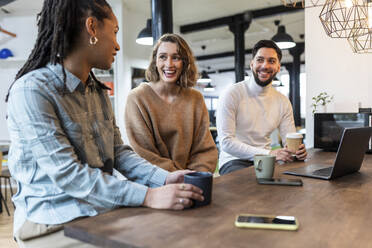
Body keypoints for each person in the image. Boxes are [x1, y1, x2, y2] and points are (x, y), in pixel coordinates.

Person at [6, 1, 203, 247]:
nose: (118, 44)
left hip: (97, 210)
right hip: (49, 222)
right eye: (115, 32)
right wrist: (148, 195)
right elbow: (69, 175)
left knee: (177, 230)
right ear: (92, 27)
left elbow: (118, 153)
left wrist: (164, 179)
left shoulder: (97, 92)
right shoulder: (32, 90)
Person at [125, 33, 218, 173]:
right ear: (155, 61)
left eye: (176, 57)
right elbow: (144, 155)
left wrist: (194, 178)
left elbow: (205, 151)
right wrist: (178, 177)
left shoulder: (195, 99)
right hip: (153, 183)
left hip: (192, 182)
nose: (169, 64)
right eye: (163, 57)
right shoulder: (137, 98)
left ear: (184, 62)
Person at [216, 40, 307, 175]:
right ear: (252, 63)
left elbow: (289, 140)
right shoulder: (232, 94)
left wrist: (298, 152)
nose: (265, 65)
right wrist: (270, 153)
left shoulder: (282, 101)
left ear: (278, 67)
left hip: (267, 160)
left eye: (271, 61)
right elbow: (227, 143)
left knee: (296, 178)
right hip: (235, 160)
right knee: (253, 186)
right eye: (260, 60)